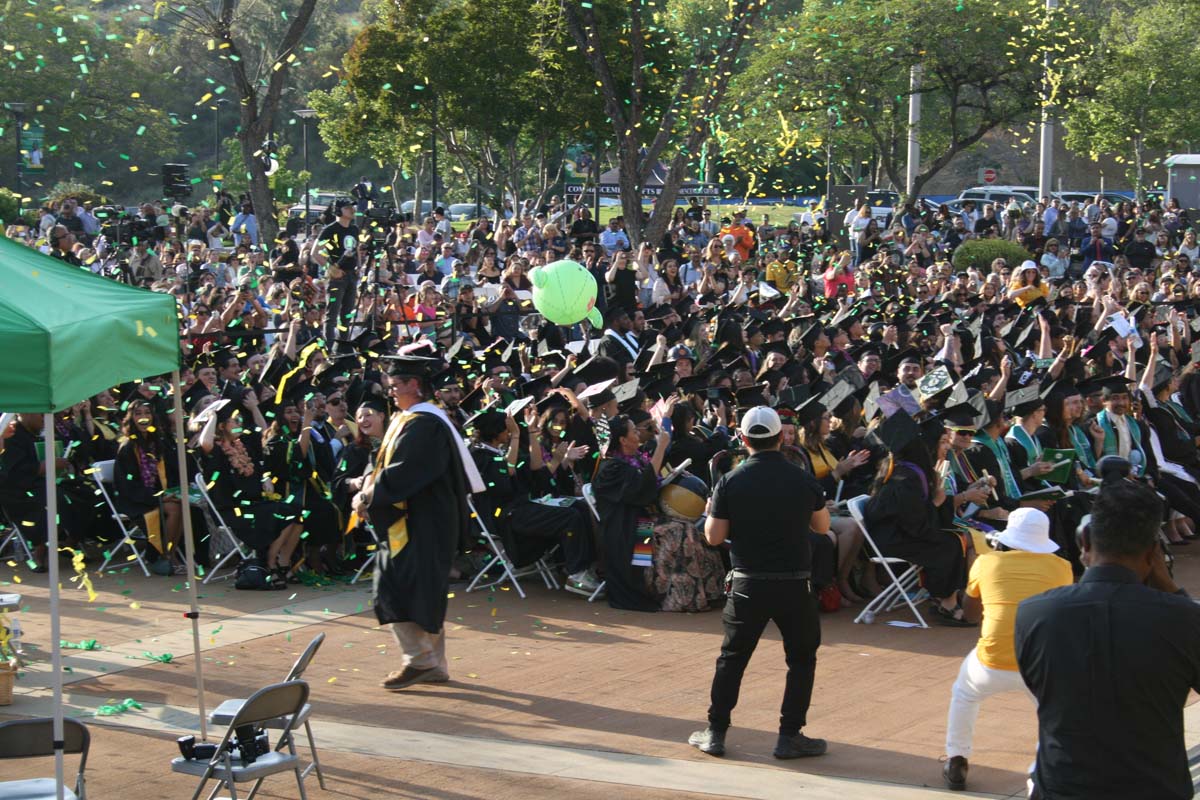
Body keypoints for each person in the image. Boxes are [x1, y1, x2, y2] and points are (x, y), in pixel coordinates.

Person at [1015, 473, 1200, 800]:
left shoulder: (1034, 614)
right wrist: (1172, 590)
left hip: (1063, 789)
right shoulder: (1183, 618)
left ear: (1084, 543)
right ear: (1153, 553)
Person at [688, 406, 830, 760]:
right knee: (801, 659)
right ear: (781, 437)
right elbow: (823, 528)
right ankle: (789, 735)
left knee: (732, 658)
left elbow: (715, 537)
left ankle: (716, 732)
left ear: (743, 438)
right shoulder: (801, 477)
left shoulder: (731, 480)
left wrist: (711, 511)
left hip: (748, 584)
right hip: (795, 585)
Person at [361, 354, 485, 691]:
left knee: (398, 589)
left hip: (421, 524)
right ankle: (434, 664)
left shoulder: (424, 424)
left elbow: (407, 472)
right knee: (423, 592)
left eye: (395, 386)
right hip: (417, 522)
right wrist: (367, 484)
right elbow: (389, 463)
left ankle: (420, 661)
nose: (391, 392)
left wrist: (370, 495)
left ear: (414, 385)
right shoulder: (413, 419)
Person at [941, 508, 1072, 791]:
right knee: (1051, 712)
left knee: (964, 694)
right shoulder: (1062, 567)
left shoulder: (986, 562)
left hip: (991, 660)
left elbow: (971, 615)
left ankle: (956, 757)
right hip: (1039, 663)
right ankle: (1038, 772)